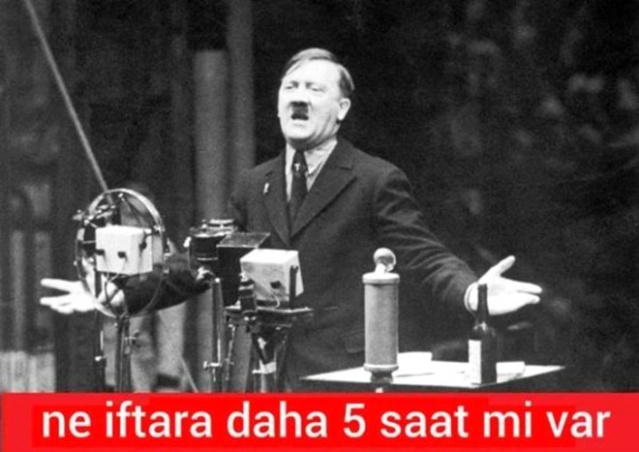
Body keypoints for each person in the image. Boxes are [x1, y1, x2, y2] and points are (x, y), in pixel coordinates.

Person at [227, 48, 542, 388]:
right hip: (269, 379)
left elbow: (424, 255)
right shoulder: (252, 184)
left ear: (341, 109)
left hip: (344, 380)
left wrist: (471, 292)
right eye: (291, 87)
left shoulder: (374, 179)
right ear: (278, 104)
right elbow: (218, 257)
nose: (299, 97)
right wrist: (177, 276)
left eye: (315, 89)